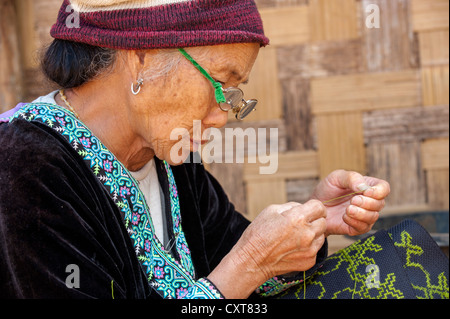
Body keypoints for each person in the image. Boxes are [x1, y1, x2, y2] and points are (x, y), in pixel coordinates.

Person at [0, 0, 447, 299]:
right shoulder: (25, 167)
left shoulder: (169, 158)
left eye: (233, 96)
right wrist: (249, 264)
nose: (223, 114)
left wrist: (309, 223)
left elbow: (238, 263)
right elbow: (238, 270)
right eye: (222, 83)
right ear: (140, 56)